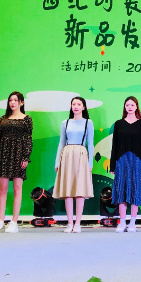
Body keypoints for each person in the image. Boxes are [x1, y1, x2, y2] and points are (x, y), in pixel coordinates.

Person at [0, 91, 33, 234]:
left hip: (18, 155)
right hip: (3, 154)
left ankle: (14, 222)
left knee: (17, 188)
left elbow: (28, 139)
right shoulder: (3, 118)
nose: (12, 102)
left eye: (15, 100)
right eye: (10, 100)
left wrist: (25, 157)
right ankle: (0, 221)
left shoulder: (27, 119)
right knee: (2, 189)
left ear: (22, 102)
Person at [53, 96, 94, 233]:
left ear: (83, 107)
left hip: (81, 155)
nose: (76, 106)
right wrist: (57, 161)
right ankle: (69, 223)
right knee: (68, 191)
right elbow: (61, 142)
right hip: (67, 155)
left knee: (80, 190)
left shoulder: (88, 123)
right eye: (73, 104)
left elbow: (91, 143)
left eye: (79, 104)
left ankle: (78, 223)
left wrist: (90, 163)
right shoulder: (65, 123)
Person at [110, 96, 141, 233]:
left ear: (136, 106)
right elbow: (114, 145)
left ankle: (133, 222)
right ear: (124, 107)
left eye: (132, 105)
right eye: (127, 105)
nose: (130, 107)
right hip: (121, 160)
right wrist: (112, 165)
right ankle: (122, 223)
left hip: (137, 161)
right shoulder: (119, 124)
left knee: (135, 190)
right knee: (121, 190)